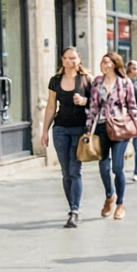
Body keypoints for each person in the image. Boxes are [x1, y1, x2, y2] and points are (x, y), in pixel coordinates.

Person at [40, 47, 92, 228]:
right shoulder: (55, 81)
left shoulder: (86, 79)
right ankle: (72, 206)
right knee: (65, 172)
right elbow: (50, 107)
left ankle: (74, 211)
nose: (71, 61)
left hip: (79, 129)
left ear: (79, 60)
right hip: (60, 129)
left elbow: (97, 103)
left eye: (74, 58)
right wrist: (45, 131)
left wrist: (84, 101)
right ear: (62, 60)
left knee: (74, 170)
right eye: (68, 58)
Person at [86, 52, 137, 220]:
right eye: (103, 62)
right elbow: (93, 107)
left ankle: (120, 204)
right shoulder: (97, 82)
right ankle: (110, 196)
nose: (104, 65)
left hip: (120, 127)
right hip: (102, 127)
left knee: (118, 167)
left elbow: (132, 106)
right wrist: (88, 128)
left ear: (115, 64)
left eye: (107, 62)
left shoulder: (125, 83)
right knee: (103, 167)